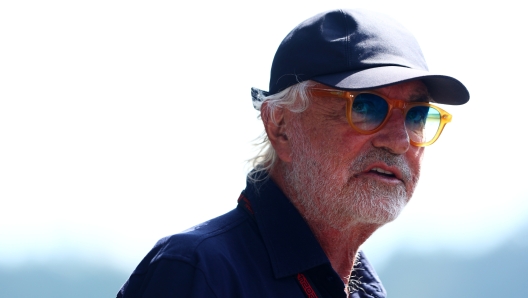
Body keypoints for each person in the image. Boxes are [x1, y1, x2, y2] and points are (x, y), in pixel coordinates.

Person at [117, 8, 469, 298]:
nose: (399, 141)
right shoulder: (200, 272)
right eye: (366, 106)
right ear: (280, 126)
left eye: (417, 115)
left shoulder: (365, 291)